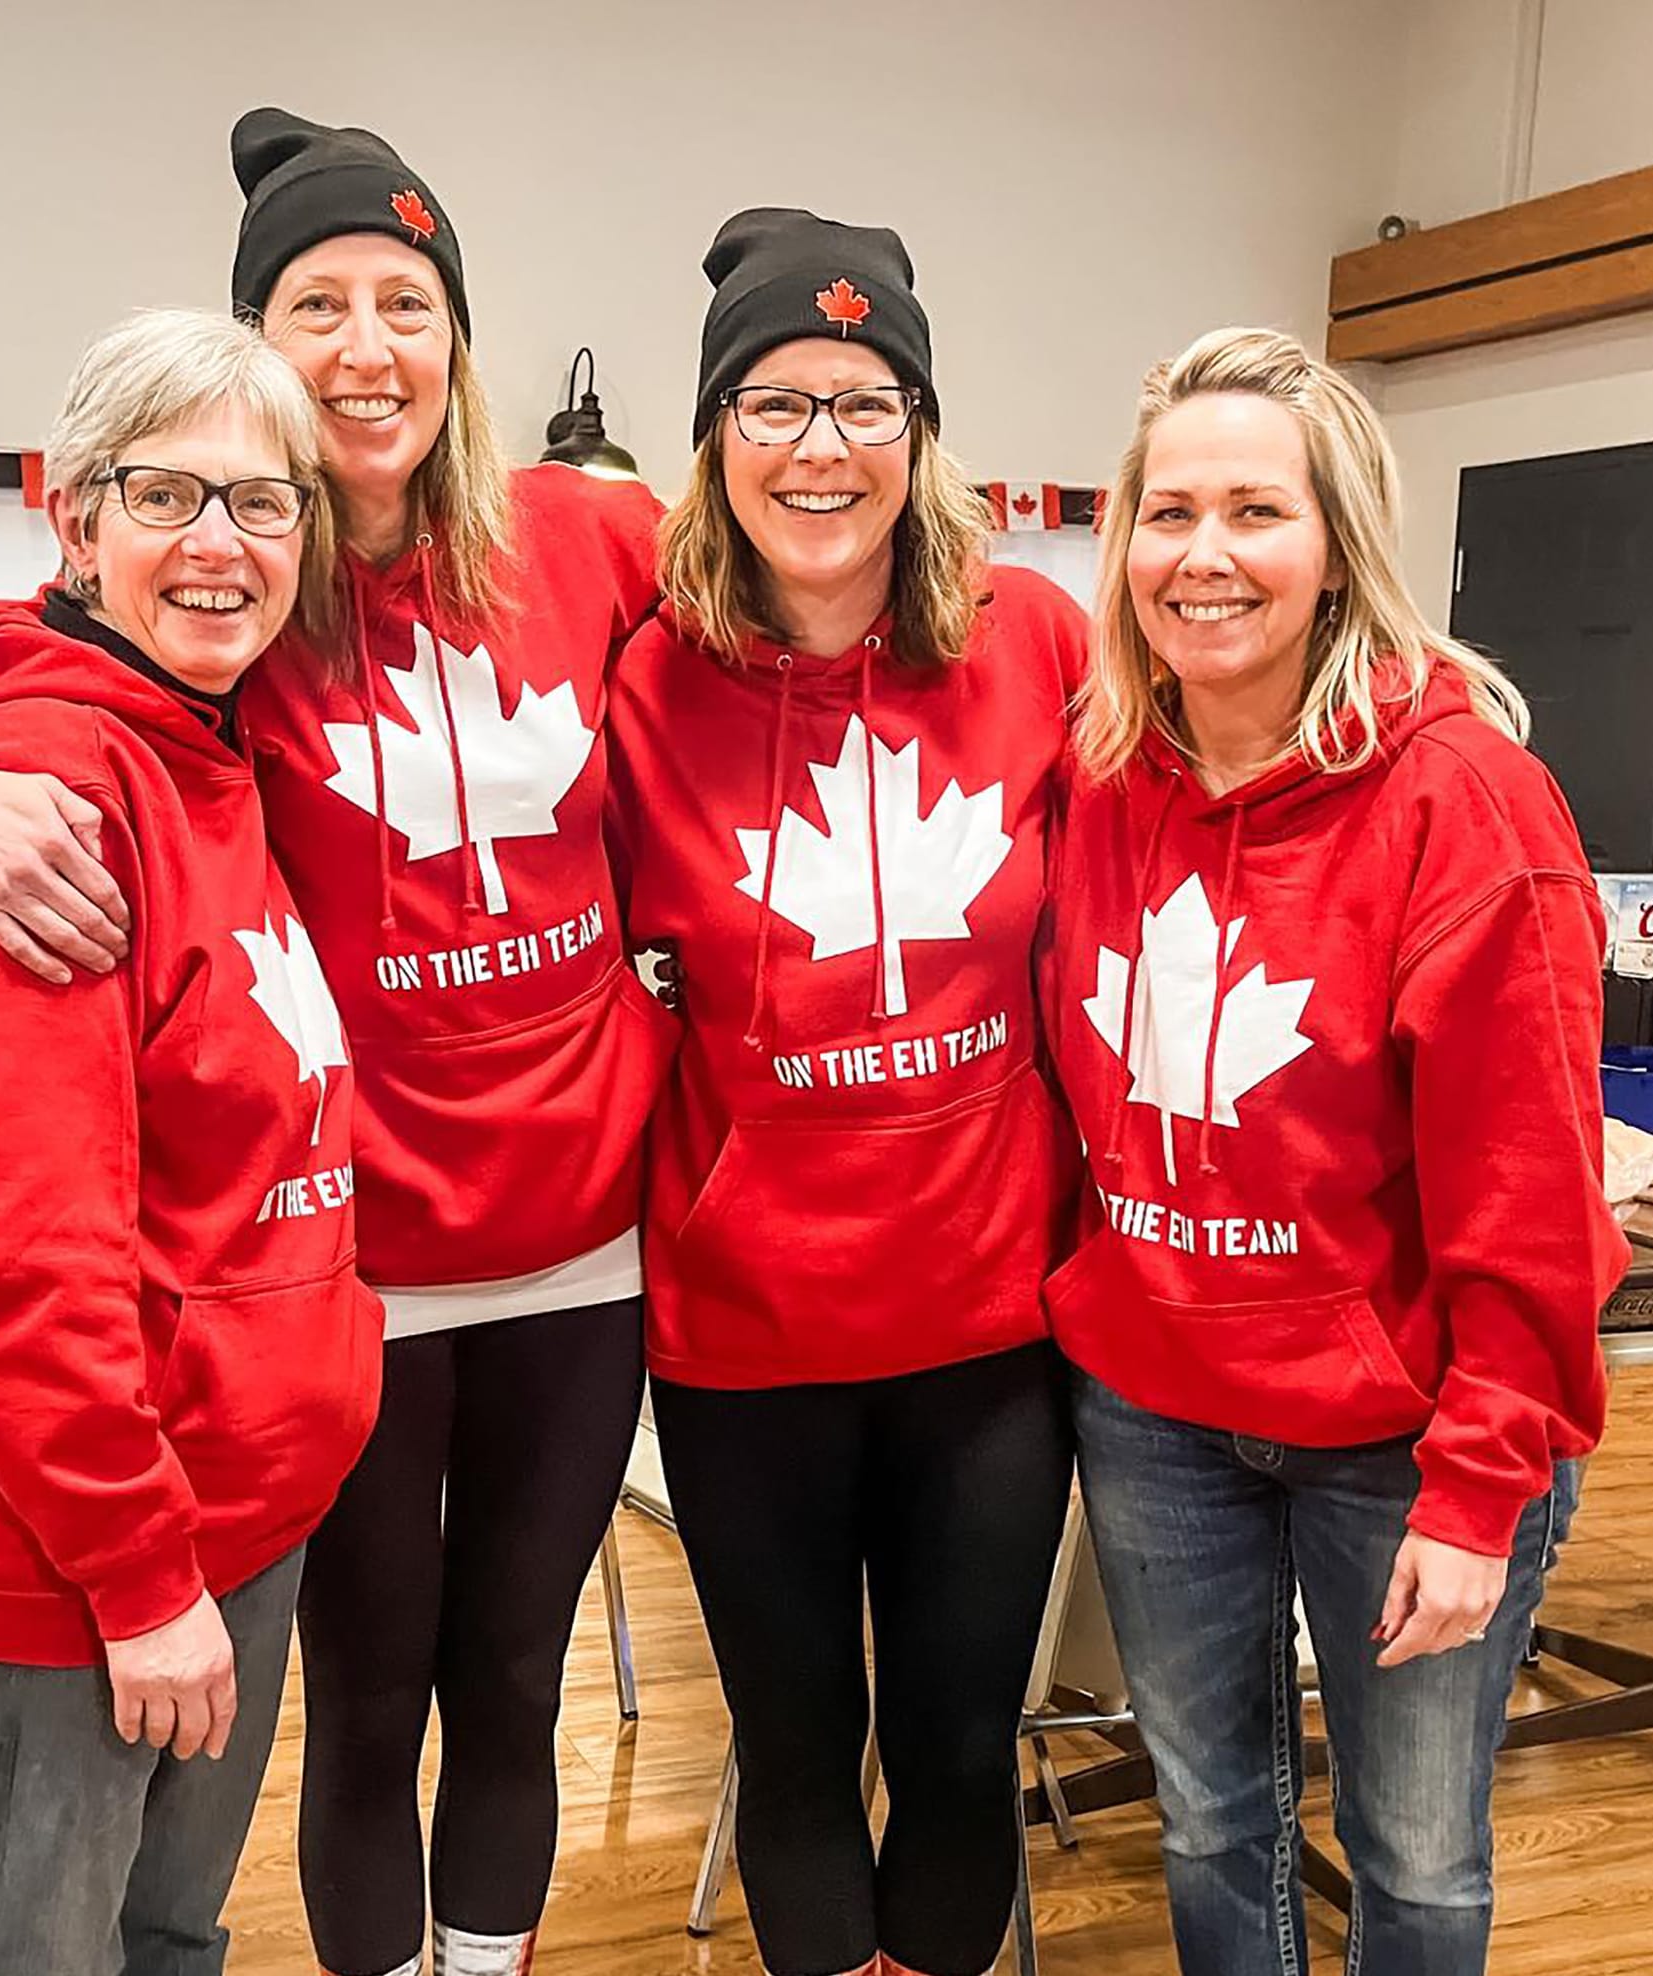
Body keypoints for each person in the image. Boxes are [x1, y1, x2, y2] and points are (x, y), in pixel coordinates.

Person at [0, 111, 675, 1976]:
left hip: (573, 1232)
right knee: (352, 1710)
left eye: (407, 301)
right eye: (317, 304)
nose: (368, 346)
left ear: (462, 335)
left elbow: (818, 634)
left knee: (503, 1677)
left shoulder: (592, 539)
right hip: (345, 1272)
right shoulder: (232, 607)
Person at [1040, 326, 1628, 1975]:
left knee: (1417, 1854)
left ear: (1338, 543)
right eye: (1167, 514)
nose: (1204, 556)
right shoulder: (1098, 786)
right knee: (1210, 1815)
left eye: (1255, 512)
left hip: (1411, 1439)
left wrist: (1482, 1484)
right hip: (1161, 1415)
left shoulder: (1467, 803)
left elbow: (1531, 1194)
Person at [0, 307, 380, 1976]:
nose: (220, 545)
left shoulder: (215, 736)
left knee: (171, 1935)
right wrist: (139, 1580)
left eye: (263, 501)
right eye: (165, 496)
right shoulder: (50, 786)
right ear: (74, 524)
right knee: (56, 1953)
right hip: (84, 1552)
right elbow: (23, 1252)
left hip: (242, 1500)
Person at [605, 209, 1087, 1976]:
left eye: (868, 402)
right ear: (718, 433)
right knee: (797, 1755)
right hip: (745, 1343)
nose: (823, 448)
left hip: (985, 1333)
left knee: (962, 1759)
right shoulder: (645, 675)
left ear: (924, 435)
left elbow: (1231, 757)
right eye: (779, 404)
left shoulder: (1036, 638)